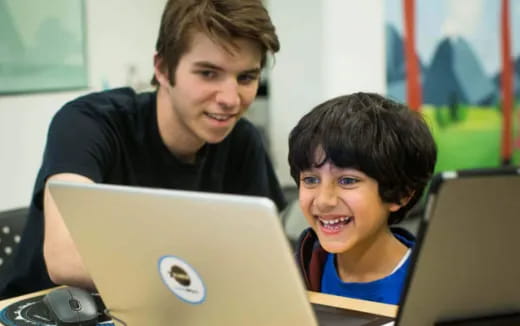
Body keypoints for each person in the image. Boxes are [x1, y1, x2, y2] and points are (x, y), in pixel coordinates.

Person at [0, 0, 285, 299]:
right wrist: (200, 277)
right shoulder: (89, 123)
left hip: (163, 308)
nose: (230, 98)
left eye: (246, 78)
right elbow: (65, 259)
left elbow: (264, 264)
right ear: (162, 69)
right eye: (208, 73)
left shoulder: (242, 141)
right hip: (41, 308)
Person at [288, 92, 437, 304]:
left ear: (401, 194)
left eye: (347, 181)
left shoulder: (432, 289)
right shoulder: (301, 269)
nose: (323, 200)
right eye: (311, 180)